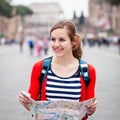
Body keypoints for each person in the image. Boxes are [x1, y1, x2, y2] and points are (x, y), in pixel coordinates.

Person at [19, 20, 97, 119]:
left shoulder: (88, 71)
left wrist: (92, 108)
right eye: (53, 39)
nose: (56, 44)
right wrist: (26, 102)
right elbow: (33, 107)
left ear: (73, 42)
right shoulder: (39, 67)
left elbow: (88, 110)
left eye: (62, 40)